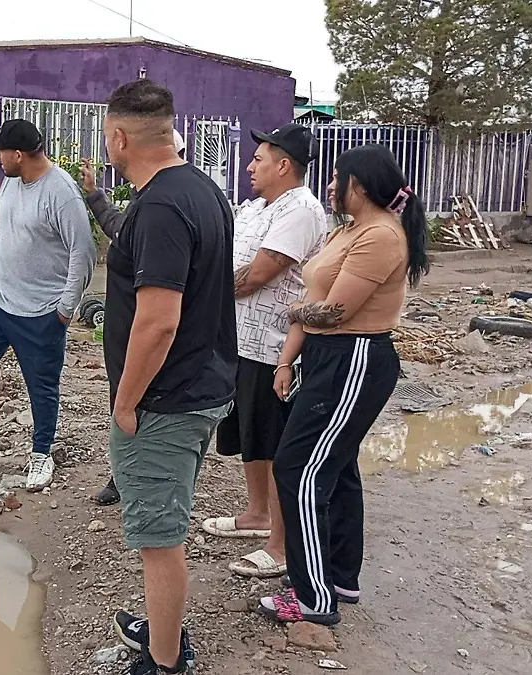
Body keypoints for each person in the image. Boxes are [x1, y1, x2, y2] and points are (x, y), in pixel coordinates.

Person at [258, 144, 429, 625]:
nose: (330, 185)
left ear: (360, 184)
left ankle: (313, 597)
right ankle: (339, 578)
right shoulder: (349, 230)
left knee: (299, 470)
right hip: (326, 356)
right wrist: (286, 361)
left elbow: (335, 311)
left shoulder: (381, 236)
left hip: (354, 357)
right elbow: (317, 295)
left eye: (338, 178)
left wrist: (289, 314)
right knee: (337, 467)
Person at [100, 80, 236, 674]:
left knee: (159, 537)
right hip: (199, 384)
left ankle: (164, 660)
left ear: (120, 137)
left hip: (165, 398)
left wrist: (127, 402)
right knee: (164, 521)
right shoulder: (202, 189)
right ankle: (165, 628)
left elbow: (157, 321)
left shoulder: (157, 206)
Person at [198, 124, 326, 581]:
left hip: (274, 344)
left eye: (259, 158)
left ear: (284, 164)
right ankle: (257, 514)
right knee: (250, 434)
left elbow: (256, 276)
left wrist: (204, 290)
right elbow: (222, 258)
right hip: (240, 339)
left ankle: (281, 544)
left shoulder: (302, 211)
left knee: (274, 442)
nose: (250, 166)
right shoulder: (255, 208)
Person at [0, 119, 96, 492]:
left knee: (41, 386)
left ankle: (41, 453)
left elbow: (84, 252)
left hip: (41, 310)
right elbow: (4, 229)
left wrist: (65, 308)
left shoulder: (62, 193)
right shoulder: (11, 182)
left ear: (18, 154)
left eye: (1, 151)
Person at [77, 129, 187, 508]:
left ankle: (143, 482)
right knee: (124, 398)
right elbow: (120, 230)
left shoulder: (168, 206)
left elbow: (162, 316)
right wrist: (94, 194)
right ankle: (125, 474)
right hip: (127, 332)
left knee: (139, 403)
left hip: (151, 332)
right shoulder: (147, 199)